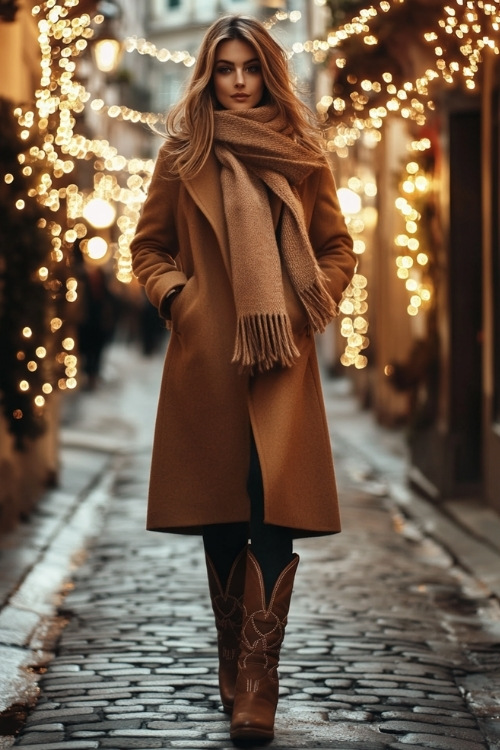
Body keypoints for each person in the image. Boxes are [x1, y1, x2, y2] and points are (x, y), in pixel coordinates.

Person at [130, 14, 356, 743]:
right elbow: (149, 247)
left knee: (272, 515)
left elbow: (337, 248)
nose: (236, 80)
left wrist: (305, 303)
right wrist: (180, 300)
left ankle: (260, 680)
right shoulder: (183, 153)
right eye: (225, 67)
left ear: (267, 73)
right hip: (210, 366)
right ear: (208, 71)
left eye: (250, 68)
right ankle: (234, 659)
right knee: (224, 516)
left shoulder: (302, 154)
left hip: (281, 362)